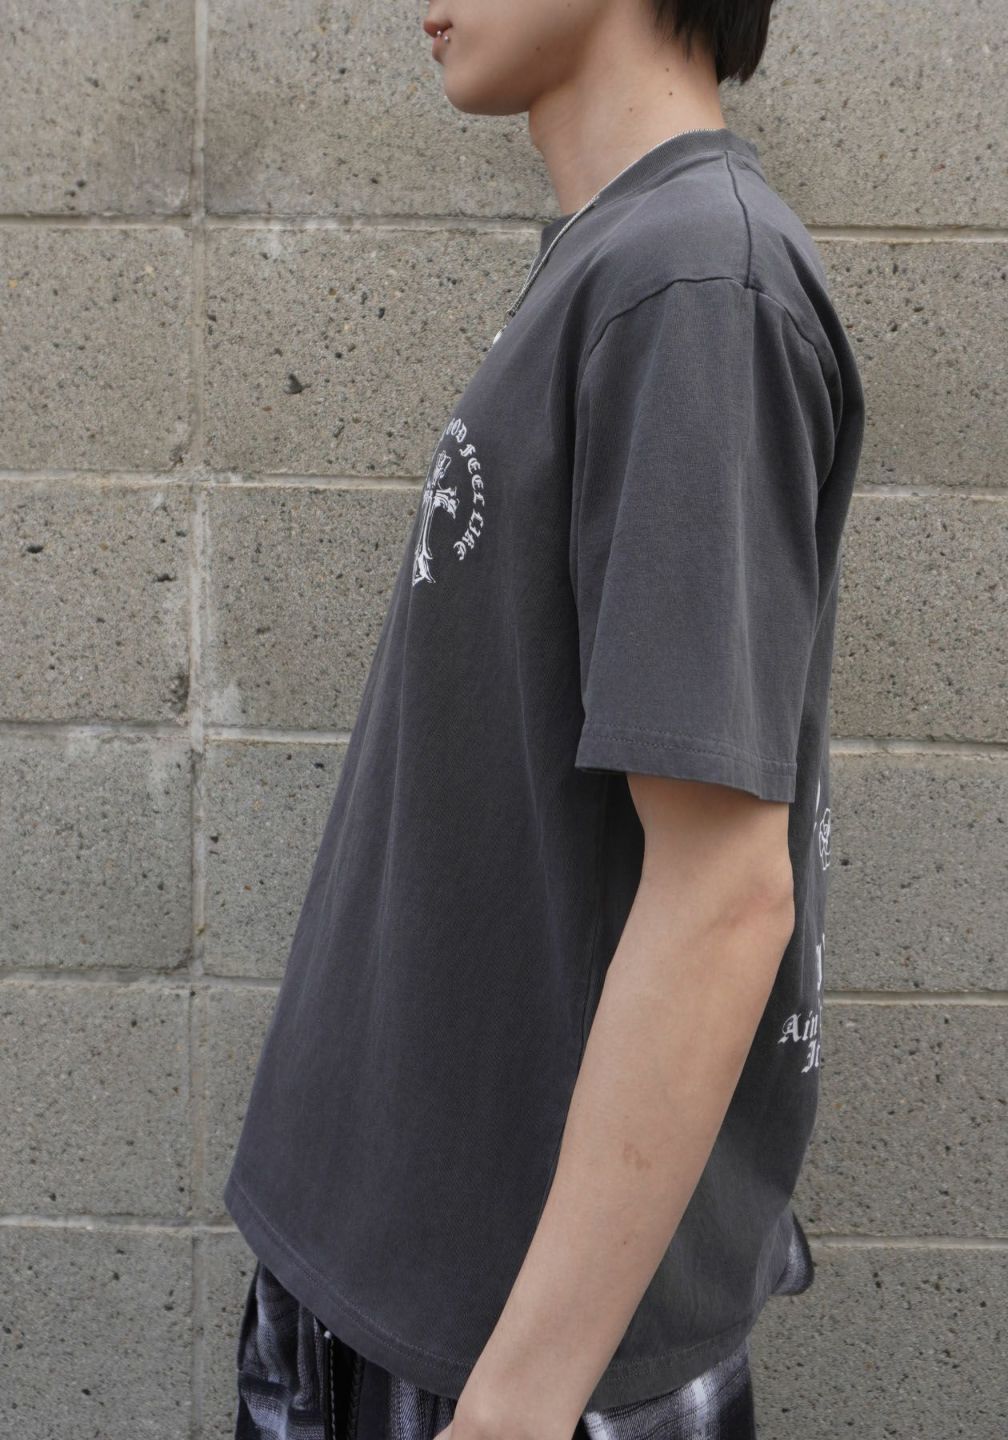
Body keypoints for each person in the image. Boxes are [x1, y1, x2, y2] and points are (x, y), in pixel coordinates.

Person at [226, 0, 865, 1436]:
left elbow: (723, 894)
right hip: (400, 1277)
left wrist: (512, 1409)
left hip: (496, 1352)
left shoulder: (694, 283)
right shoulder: (623, 258)